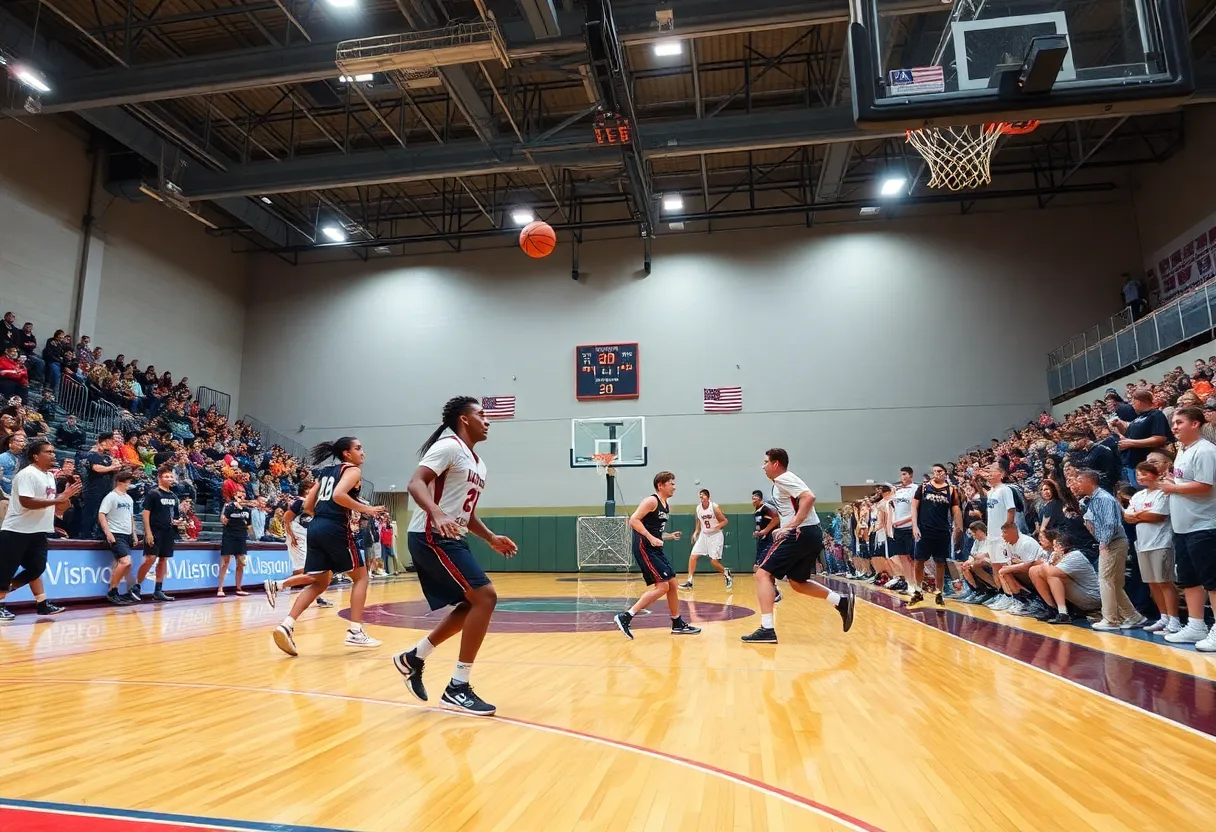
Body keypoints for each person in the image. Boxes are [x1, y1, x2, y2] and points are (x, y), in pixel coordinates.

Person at [392, 398, 518, 716]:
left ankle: (413, 657)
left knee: (471, 604)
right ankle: (457, 688)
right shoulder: (448, 446)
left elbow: (467, 512)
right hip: (430, 535)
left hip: (453, 536)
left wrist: (490, 537)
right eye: (481, 415)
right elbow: (415, 483)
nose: (487, 421)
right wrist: (434, 512)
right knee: (486, 597)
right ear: (464, 419)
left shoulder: (479, 463)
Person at [272, 437, 386, 657]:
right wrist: (366, 509)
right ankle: (355, 631)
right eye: (358, 448)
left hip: (315, 527)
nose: (363, 452)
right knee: (361, 577)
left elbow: (307, 505)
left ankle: (286, 625)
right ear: (346, 453)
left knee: (320, 582)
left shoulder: (325, 472)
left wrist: (322, 519)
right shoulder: (352, 470)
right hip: (334, 528)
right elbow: (338, 495)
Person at [741, 448, 855, 643]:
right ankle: (841, 601)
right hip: (810, 533)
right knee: (798, 582)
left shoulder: (783, 478)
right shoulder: (783, 482)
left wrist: (791, 525)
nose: (763, 466)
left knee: (762, 574)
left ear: (776, 464)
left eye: (766, 462)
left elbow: (809, 497)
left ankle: (767, 629)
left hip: (799, 533)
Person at [0, 439, 81, 621]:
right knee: (5, 571)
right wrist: (59, 498)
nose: (53, 454)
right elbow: (27, 502)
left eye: (53, 451)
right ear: (36, 456)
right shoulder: (27, 474)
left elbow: (59, 507)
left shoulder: (50, 476)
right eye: (49, 452)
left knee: (36, 568)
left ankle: (36, 603)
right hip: (17, 530)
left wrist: (68, 497)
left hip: (38, 531)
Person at [612, 471, 698, 641]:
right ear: (661, 485)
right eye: (671, 483)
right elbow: (634, 520)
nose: (674, 486)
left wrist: (668, 536)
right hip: (644, 546)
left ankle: (677, 623)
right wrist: (651, 538)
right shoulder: (651, 501)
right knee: (663, 587)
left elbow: (654, 530)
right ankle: (626, 616)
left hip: (654, 547)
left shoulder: (666, 505)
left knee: (672, 584)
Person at [1156, 407, 1216, 649]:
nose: (1174, 427)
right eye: (1173, 423)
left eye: (1179, 422)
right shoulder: (1183, 451)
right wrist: (1174, 482)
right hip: (1183, 527)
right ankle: (1195, 625)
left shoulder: (1205, 451)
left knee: (1212, 581)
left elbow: (1205, 485)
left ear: (1195, 424)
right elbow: (1186, 481)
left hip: (1204, 526)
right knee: (1189, 580)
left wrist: (1174, 488)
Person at [1075, 468, 1144, 630]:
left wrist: (1104, 543)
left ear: (1089, 482)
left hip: (1112, 542)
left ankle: (1111, 620)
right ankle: (1133, 616)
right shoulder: (1093, 499)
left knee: (1105, 580)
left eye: (1079, 480)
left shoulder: (1102, 499)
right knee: (1114, 583)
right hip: (1115, 541)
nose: (1076, 484)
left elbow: (1110, 524)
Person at [1124, 462, 1181, 634]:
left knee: (1165, 582)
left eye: (1144, 473)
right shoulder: (1138, 496)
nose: (1140, 476)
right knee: (1152, 583)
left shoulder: (1163, 493)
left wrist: (1137, 515)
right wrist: (1139, 516)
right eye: (1138, 473)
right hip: (1142, 544)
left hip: (1161, 543)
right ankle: (1163, 617)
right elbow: (1127, 517)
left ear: (1155, 474)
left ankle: (1174, 620)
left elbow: (1158, 516)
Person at [263, 492, 334, 609]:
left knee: (314, 571)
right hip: (296, 538)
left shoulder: (319, 509)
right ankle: (276, 585)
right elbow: (286, 519)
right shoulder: (301, 503)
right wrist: (291, 536)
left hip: (306, 538)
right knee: (309, 572)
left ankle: (316, 596)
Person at [910, 463, 963, 606]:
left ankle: (939, 592)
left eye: (939, 471)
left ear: (945, 473)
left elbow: (956, 511)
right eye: (934, 471)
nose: (936, 473)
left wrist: (959, 529)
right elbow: (914, 507)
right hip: (924, 530)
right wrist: (914, 526)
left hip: (942, 531)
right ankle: (917, 590)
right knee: (918, 561)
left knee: (940, 562)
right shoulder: (923, 487)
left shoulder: (951, 490)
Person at [1027, 532, 1104, 623]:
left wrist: (1049, 562)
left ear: (1062, 547)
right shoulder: (1057, 555)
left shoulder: (1075, 555)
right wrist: (1050, 562)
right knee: (1034, 570)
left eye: (1055, 546)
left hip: (1092, 597)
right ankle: (1052, 609)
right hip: (1079, 594)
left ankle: (1063, 613)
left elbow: (1050, 572)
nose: (1054, 549)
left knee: (1052, 575)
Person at [133, 464, 183, 602]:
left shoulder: (173, 496)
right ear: (159, 478)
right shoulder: (153, 493)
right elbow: (145, 513)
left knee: (163, 560)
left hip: (168, 532)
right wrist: (148, 532)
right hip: (155, 531)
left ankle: (158, 590)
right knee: (150, 558)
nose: (170, 479)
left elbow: (176, 516)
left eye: (171, 476)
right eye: (167, 476)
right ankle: (136, 586)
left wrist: (177, 522)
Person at [1112, 388, 1171, 486]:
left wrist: (1131, 443)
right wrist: (1119, 425)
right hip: (1132, 464)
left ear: (1141, 401)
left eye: (1133, 401)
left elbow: (1160, 438)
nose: (1132, 404)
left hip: (1146, 465)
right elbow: (1129, 435)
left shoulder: (1156, 415)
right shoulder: (1138, 417)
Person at [98, 470, 139, 605]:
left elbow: (131, 517)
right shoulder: (111, 496)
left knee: (122, 564)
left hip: (127, 534)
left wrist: (134, 534)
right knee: (126, 562)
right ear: (120, 482)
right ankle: (112, 591)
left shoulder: (128, 499)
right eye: (127, 482)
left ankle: (119, 591)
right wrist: (108, 533)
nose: (129, 485)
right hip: (116, 533)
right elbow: (102, 514)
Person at [680, 488, 731, 589]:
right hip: (704, 535)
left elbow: (725, 521)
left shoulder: (714, 507)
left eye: (703, 495)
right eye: (700, 496)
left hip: (715, 536)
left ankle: (726, 573)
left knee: (714, 562)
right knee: (693, 556)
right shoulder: (698, 508)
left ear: (708, 497)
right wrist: (696, 531)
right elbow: (699, 520)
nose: (701, 497)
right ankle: (689, 581)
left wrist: (717, 527)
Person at [80, 433, 121, 539]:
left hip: (106, 490)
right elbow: (97, 468)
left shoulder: (107, 457)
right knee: (91, 514)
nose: (112, 445)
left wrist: (115, 466)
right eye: (111, 442)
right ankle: (86, 536)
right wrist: (112, 467)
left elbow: (116, 468)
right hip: (93, 490)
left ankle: (100, 535)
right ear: (105, 441)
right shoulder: (91, 455)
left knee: (103, 513)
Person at [888, 466, 918, 591]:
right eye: (902, 474)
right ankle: (909, 584)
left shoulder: (915, 488)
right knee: (902, 557)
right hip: (898, 528)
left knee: (913, 558)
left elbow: (916, 510)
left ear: (911, 475)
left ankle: (917, 583)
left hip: (909, 527)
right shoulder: (898, 491)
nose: (903, 477)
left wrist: (904, 521)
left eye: (905, 474)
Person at [218, 495, 253, 597]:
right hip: (229, 536)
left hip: (241, 537)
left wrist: (252, 537)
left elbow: (249, 525)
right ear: (235, 496)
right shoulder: (229, 507)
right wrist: (225, 509)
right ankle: (220, 588)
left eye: (243, 495)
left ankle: (239, 588)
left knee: (241, 563)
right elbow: (223, 521)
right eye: (239, 496)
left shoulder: (247, 510)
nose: (242, 498)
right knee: (225, 562)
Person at [751, 489, 782, 599]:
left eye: (755, 498)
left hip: (769, 539)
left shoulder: (766, 508)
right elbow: (761, 524)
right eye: (752, 498)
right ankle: (769, 590)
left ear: (760, 498)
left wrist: (765, 531)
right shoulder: (757, 510)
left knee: (765, 565)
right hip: (762, 539)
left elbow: (776, 519)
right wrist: (758, 532)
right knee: (758, 566)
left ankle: (775, 592)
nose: (753, 500)